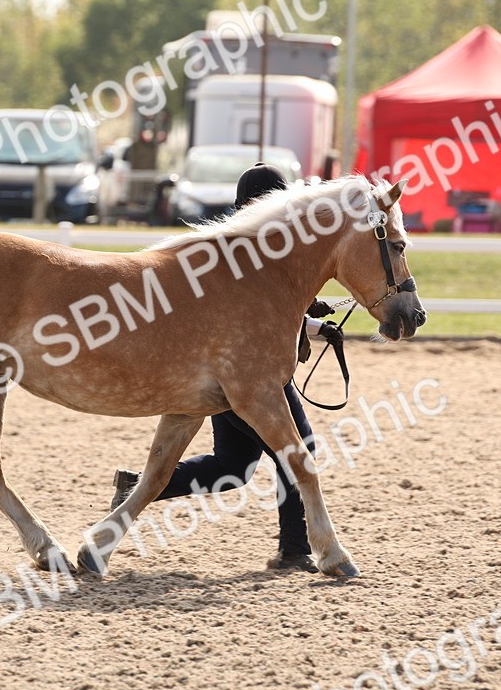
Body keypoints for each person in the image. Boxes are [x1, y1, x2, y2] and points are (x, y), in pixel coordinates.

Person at [108, 163, 343, 572]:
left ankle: (136, 487)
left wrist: (313, 323)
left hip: (229, 368)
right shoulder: (245, 253)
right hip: (246, 370)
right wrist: (309, 323)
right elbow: (248, 319)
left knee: (234, 467)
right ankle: (295, 550)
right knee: (298, 448)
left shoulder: (243, 250)